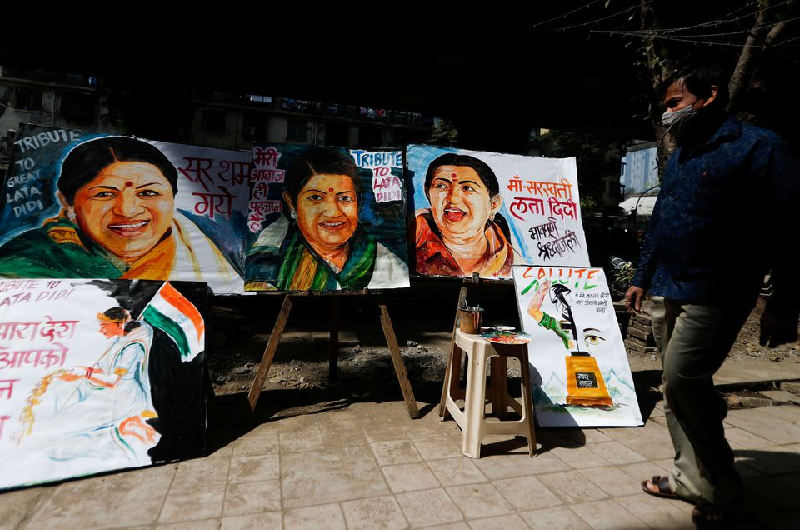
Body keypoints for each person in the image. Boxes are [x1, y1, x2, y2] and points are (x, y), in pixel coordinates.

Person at [626, 60, 799, 525]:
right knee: (677, 387)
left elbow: (789, 230)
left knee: (684, 381)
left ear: (709, 96)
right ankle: (689, 478)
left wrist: (784, 303)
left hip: (719, 289)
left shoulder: (760, 148)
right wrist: (642, 275)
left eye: (674, 103)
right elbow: (662, 220)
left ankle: (723, 489)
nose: (667, 114)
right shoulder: (684, 153)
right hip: (668, 286)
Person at [0, 136, 240, 286]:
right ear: (67, 202)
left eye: (148, 193)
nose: (128, 211)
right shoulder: (23, 264)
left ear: (173, 198)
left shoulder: (206, 250)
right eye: (104, 194)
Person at [247, 147, 407, 290]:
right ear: (291, 203)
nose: (333, 212)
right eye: (316, 198)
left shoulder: (387, 264)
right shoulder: (268, 265)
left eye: (344, 199)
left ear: (358, 203)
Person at [19, 307, 158, 465]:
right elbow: (103, 369)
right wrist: (80, 371)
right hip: (110, 393)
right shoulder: (120, 342)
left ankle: (120, 437)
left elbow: (113, 380)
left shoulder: (133, 347)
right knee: (62, 410)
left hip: (125, 397)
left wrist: (84, 374)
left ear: (119, 324)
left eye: (105, 324)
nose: (101, 329)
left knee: (64, 432)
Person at [415, 153, 513, 277]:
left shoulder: (511, 260)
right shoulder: (408, 239)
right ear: (428, 194)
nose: (453, 198)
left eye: (468, 188)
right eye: (441, 186)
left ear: (493, 204)